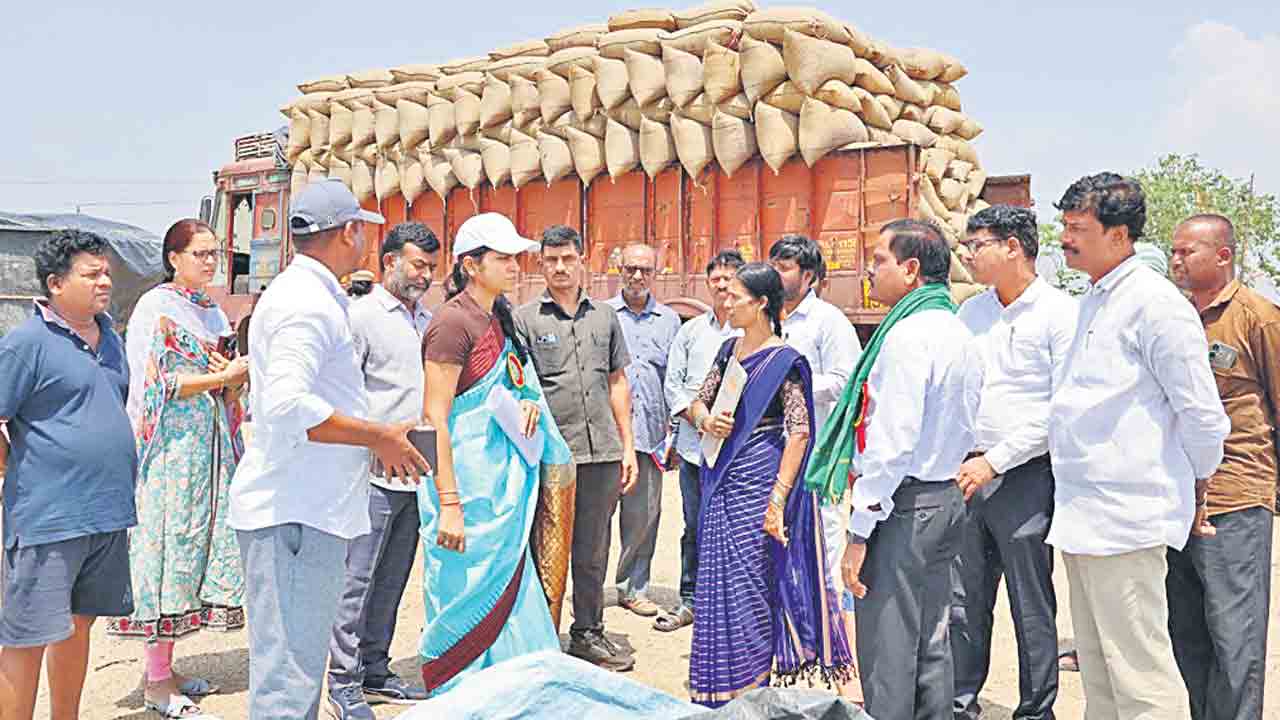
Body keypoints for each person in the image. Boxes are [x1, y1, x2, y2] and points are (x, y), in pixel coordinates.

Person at [227, 179, 429, 720]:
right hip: (293, 514)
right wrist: (377, 436)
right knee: (289, 675)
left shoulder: (311, 294)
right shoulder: (304, 305)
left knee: (297, 668)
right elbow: (289, 404)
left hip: (306, 510)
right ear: (349, 232)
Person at [1048, 173, 1229, 720]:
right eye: (1065, 227)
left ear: (1119, 235)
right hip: (1084, 518)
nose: (1065, 239)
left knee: (1142, 679)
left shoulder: (1156, 305)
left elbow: (1201, 414)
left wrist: (1197, 484)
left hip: (1128, 518)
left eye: (1078, 228)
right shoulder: (1093, 301)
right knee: (1101, 676)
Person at [810, 218, 982, 720]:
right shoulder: (958, 329)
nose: (869, 269)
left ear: (910, 270)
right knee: (932, 643)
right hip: (943, 499)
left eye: (880, 260)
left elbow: (891, 446)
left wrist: (860, 532)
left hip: (903, 509)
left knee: (888, 651)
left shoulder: (907, 337)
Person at [684, 262, 852, 708]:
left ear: (761, 304)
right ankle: (717, 696)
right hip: (719, 482)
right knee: (716, 584)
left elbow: (798, 432)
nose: (727, 301)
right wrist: (706, 419)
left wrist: (777, 501)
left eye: (736, 296)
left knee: (751, 589)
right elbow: (698, 401)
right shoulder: (727, 351)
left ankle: (751, 695)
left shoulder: (786, 362)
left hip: (759, 486)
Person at [417, 213, 572, 695]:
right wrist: (448, 503)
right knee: (464, 597)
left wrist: (527, 404)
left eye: (514, 256)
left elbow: (513, 384)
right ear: (470, 265)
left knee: (510, 599)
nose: (515, 265)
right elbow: (433, 418)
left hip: (503, 492)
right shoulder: (451, 324)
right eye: (503, 257)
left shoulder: (500, 318)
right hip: (465, 491)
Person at [106, 219, 250, 719]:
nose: (210, 262)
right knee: (168, 548)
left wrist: (234, 382)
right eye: (200, 254)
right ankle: (157, 681)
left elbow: (227, 381)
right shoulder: (156, 307)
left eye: (215, 253)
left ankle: (168, 667)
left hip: (209, 447)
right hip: (171, 449)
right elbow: (151, 384)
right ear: (174, 258)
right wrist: (218, 378)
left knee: (198, 549)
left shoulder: (212, 311)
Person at [0, 230, 138, 720]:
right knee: (26, 637)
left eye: (106, 272)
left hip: (105, 515)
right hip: (47, 517)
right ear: (56, 283)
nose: (105, 281)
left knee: (79, 628)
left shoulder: (111, 338)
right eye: (91, 274)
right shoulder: (26, 343)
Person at [950, 206, 1075, 720]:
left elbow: (1062, 407)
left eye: (977, 244)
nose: (968, 254)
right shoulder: (970, 314)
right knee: (963, 601)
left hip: (1027, 477)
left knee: (1031, 603)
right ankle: (960, 704)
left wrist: (997, 461)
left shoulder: (1061, 314)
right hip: (966, 473)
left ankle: (1035, 710)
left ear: (1013, 247)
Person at [326, 223, 440, 719]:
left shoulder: (426, 319)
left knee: (393, 576)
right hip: (370, 471)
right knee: (357, 579)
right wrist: (371, 439)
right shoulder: (363, 316)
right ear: (390, 260)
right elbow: (343, 390)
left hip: (414, 471)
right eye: (417, 264)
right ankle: (343, 683)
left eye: (432, 267)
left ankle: (375, 669)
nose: (425, 275)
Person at [1168, 213, 1279, 720]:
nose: (1176, 260)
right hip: (1176, 499)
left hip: (1236, 496)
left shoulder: (1257, 317)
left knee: (1236, 639)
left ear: (1223, 255)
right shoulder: (1170, 316)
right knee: (1188, 635)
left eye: (1186, 251)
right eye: (1172, 251)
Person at [515, 225, 638, 672]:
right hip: (551, 454)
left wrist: (627, 446)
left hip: (601, 452)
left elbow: (617, 382)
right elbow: (519, 386)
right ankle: (542, 637)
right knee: (545, 547)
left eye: (568, 258)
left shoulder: (605, 317)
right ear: (540, 264)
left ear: (583, 260)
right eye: (551, 260)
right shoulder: (525, 319)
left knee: (592, 548)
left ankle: (588, 632)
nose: (560, 268)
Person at [767, 235, 862, 605]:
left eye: (784, 267)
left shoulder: (828, 321)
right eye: (773, 265)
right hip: (774, 453)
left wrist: (791, 387)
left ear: (808, 276)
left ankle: (832, 641)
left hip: (817, 455)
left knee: (824, 548)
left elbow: (845, 382)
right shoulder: (766, 317)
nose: (775, 274)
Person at [655, 250, 744, 633]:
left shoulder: (751, 331)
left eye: (730, 278)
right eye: (716, 279)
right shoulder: (691, 332)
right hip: (695, 451)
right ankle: (690, 600)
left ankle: (733, 605)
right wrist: (698, 417)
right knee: (695, 526)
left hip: (740, 453)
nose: (722, 285)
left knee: (737, 527)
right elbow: (672, 385)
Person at [606, 244, 681, 619]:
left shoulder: (669, 321)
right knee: (595, 519)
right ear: (619, 268)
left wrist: (675, 436)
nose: (637, 276)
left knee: (643, 518)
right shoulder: (601, 315)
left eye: (645, 270)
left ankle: (633, 588)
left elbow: (676, 380)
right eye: (631, 268)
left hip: (650, 436)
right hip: (605, 438)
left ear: (656, 273)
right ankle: (587, 594)